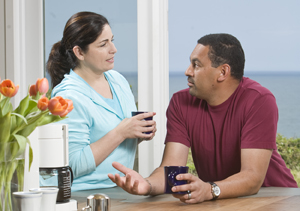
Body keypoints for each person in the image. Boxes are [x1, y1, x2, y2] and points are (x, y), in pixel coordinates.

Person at [108, 33, 298, 204]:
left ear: (222, 72)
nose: (187, 71)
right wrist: (147, 185)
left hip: (278, 197)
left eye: (196, 65)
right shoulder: (180, 102)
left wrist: (209, 190)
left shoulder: (259, 100)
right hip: (222, 200)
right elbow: (171, 167)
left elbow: (252, 178)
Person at [46, 11, 156, 192]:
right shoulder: (67, 97)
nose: (113, 49)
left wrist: (137, 132)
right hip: (82, 194)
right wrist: (121, 132)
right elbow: (72, 165)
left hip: (119, 190)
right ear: (79, 52)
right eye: (103, 44)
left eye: (112, 40)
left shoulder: (117, 80)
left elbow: (109, 139)